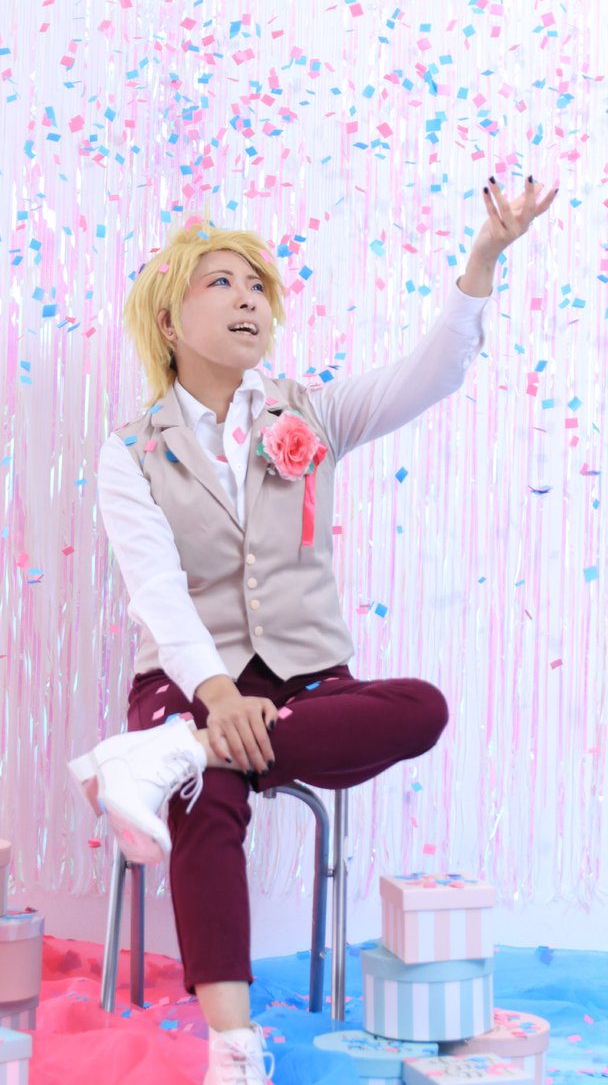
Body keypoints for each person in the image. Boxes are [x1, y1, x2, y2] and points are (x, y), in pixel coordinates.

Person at [70, 176, 557, 1085]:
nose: (248, 298)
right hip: (186, 678)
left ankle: (172, 753)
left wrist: (484, 259)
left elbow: (432, 374)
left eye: (257, 285)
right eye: (221, 283)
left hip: (304, 681)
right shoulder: (130, 450)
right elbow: (157, 590)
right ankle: (233, 1045)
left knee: (420, 707)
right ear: (169, 321)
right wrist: (217, 697)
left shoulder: (310, 412)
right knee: (206, 798)